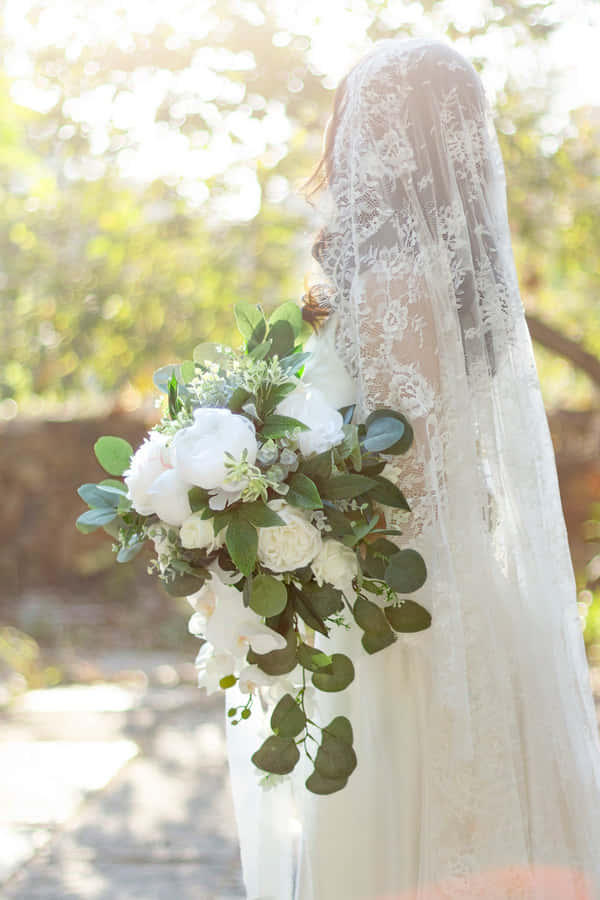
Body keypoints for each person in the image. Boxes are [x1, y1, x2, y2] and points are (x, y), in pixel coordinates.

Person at [225, 36, 600, 899]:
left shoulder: (395, 279)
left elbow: (404, 467)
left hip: (406, 610)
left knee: (405, 841)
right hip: (454, 584)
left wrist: (277, 497)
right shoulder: (463, 278)